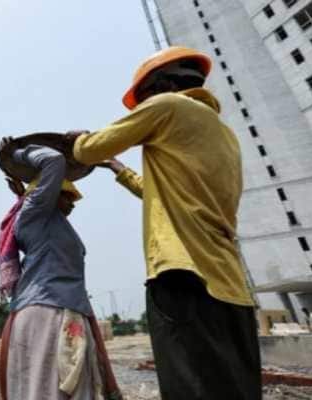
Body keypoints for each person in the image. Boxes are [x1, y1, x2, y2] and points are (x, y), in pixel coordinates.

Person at [69, 46, 261, 399]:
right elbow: (163, 192)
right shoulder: (223, 134)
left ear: (159, 87)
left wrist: (78, 141)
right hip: (231, 285)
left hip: (183, 275)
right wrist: (120, 169)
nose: (143, 106)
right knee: (235, 388)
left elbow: (87, 151)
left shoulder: (166, 107)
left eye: (142, 99)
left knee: (189, 386)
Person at [0, 139, 122, 400]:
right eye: (67, 195)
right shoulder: (35, 214)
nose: (73, 202)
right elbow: (53, 160)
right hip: (47, 313)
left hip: (67, 310)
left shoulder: (48, 221)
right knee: (50, 390)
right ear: (50, 194)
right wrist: (16, 154)